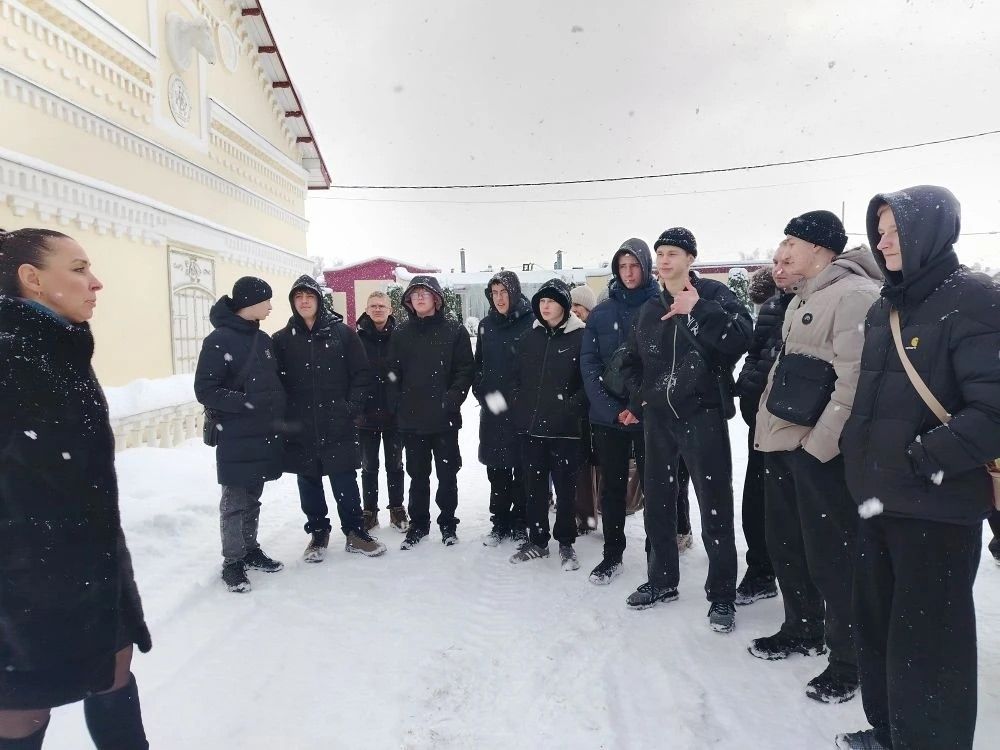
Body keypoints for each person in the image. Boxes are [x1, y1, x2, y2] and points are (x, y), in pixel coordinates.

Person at [835, 186, 1000, 750]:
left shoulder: (976, 300)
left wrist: (922, 459)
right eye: (878, 231)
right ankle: (889, 731)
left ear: (929, 232)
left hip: (937, 508)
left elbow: (993, 411)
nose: (882, 243)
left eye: (895, 230)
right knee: (879, 628)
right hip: (878, 499)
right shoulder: (886, 304)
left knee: (930, 644)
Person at [0, 228, 151, 748]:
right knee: (21, 714)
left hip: (93, 572)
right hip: (24, 588)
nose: (96, 282)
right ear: (33, 279)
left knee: (114, 678)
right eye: (79, 268)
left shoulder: (60, 347)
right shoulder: (10, 357)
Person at [751, 211, 881, 704]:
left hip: (818, 453)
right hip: (784, 442)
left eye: (791, 243)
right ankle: (801, 628)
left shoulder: (854, 296)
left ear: (820, 249)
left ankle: (850, 661)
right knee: (787, 544)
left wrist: (817, 448)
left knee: (833, 558)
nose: (782, 253)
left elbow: (855, 383)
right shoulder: (804, 296)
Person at [621, 227, 752, 633]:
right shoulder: (649, 307)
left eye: (673, 253)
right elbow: (629, 361)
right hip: (658, 418)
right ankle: (662, 580)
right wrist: (640, 396)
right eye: (660, 253)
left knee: (714, 505)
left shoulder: (715, 296)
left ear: (691, 258)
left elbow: (741, 339)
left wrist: (698, 309)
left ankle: (722, 594)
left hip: (702, 414)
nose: (664, 260)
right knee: (659, 501)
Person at [273, 276, 384, 563]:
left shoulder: (343, 334)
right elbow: (276, 383)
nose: (304, 301)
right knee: (308, 481)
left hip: (338, 422)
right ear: (292, 303)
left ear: (319, 300)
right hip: (302, 425)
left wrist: (351, 407)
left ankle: (355, 532)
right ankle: (318, 533)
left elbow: (361, 374)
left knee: (344, 479)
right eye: (298, 297)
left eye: (309, 296)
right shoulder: (282, 340)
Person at [195, 276, 287, 593]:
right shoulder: (219, 340)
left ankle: (250, 550)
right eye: (266, 300)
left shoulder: (262, 340)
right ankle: (232, 562)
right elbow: (205, 389)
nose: (271, 306)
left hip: (262, 433)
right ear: (250, 302)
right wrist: (247, 402)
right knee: (234, 501)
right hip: (235, 435)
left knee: (252, 498)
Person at [579, 239, 658, 584]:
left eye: (634, 265)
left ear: (646, 267)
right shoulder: (602, 313)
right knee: (611, 488)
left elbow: (663, 364)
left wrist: (639, 406)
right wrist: (613, 410)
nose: (628, 273)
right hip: (608, 419)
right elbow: (589, 365)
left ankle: (658, 554)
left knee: (656, 487)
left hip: (650, 416)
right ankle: (612, 554)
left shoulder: (660, 306)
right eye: (622, 266)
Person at [732, 250, 801, 605]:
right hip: (761, 422)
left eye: (786, 264)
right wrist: (748, 390)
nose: (778, 271)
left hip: (798, 426)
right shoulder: (773, 308)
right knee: (756, 502)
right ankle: (760, 570)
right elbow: (755, 354)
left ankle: (802, 590)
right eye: (775, 264)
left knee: (795, 509)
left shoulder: (819, 305)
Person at [388, 276, 475, 549]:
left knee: (447, 475)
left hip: (444, 419)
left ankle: (448, 524)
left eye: (424, 293)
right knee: (417, 475)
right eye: (414, 293)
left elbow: (465, 370)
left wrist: (453, 398)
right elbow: (392, 372)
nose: (419, 297)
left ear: (436, 298)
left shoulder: (454, 331)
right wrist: (399, 402)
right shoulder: (401, 333)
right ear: (408, 300)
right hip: (412, 419)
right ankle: (419, 525)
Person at [508, 279, 588, 570]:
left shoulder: (581, 336)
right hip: (532, 429)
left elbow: (588, 383)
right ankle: (538, 541)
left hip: (566, 430)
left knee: (566, 490)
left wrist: (569, 409)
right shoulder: (530, 337)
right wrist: (520, 406)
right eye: (542, 301)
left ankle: (566, 542)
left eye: (551, 301)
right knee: (535, 488)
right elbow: (515, 378)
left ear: (564, 305)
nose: (545, 306)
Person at [474, 271, 534, 547]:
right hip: (493, 410)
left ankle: (520, 521)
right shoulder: (486, 325)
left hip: (522, 409)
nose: (499, 298)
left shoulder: (531, 322)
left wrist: (524, 399)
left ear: (514, 293)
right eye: (494, 293)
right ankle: (499, 521)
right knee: (497, 469)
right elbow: (478, 366)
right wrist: (482, 392)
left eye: (504, 292)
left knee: (522, 468)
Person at [356, 291, 408, 532]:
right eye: (373, 306)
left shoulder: (401, 337)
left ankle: (397, 508)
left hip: (394, 414)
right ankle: (369, 511)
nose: (377, 309)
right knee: (368, 466)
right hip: (365, 415)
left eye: (382, 306)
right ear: (367, 310)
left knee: (395, 464)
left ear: (390, 310)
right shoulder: (356, 339)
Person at [569, 284, 599, 536]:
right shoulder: (570, 333)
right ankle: (584, 515)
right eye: (571, 305)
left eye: (579, 305)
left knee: (595, 464)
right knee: (580, 465)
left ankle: (592, 514)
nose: (574, 310)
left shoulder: (594, 332)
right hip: (576, 409)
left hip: (596, 407)